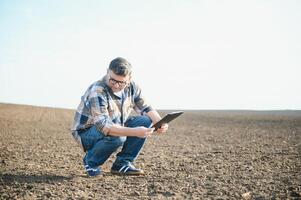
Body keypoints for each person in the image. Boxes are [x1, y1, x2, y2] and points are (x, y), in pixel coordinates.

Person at [71, 57, 168, 176]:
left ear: (129, 79)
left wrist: (160, 122)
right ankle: (91, 162)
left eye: (121, 82)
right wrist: (135, 132)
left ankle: (122, 164)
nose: (116, 86)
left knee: (145, 120)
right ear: (107, 72)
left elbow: (146, 107)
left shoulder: (132, 87)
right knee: (119, 136)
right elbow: (104, 126)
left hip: (114, 124)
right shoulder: (97, 90)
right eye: (113, 80)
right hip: (86, 133)